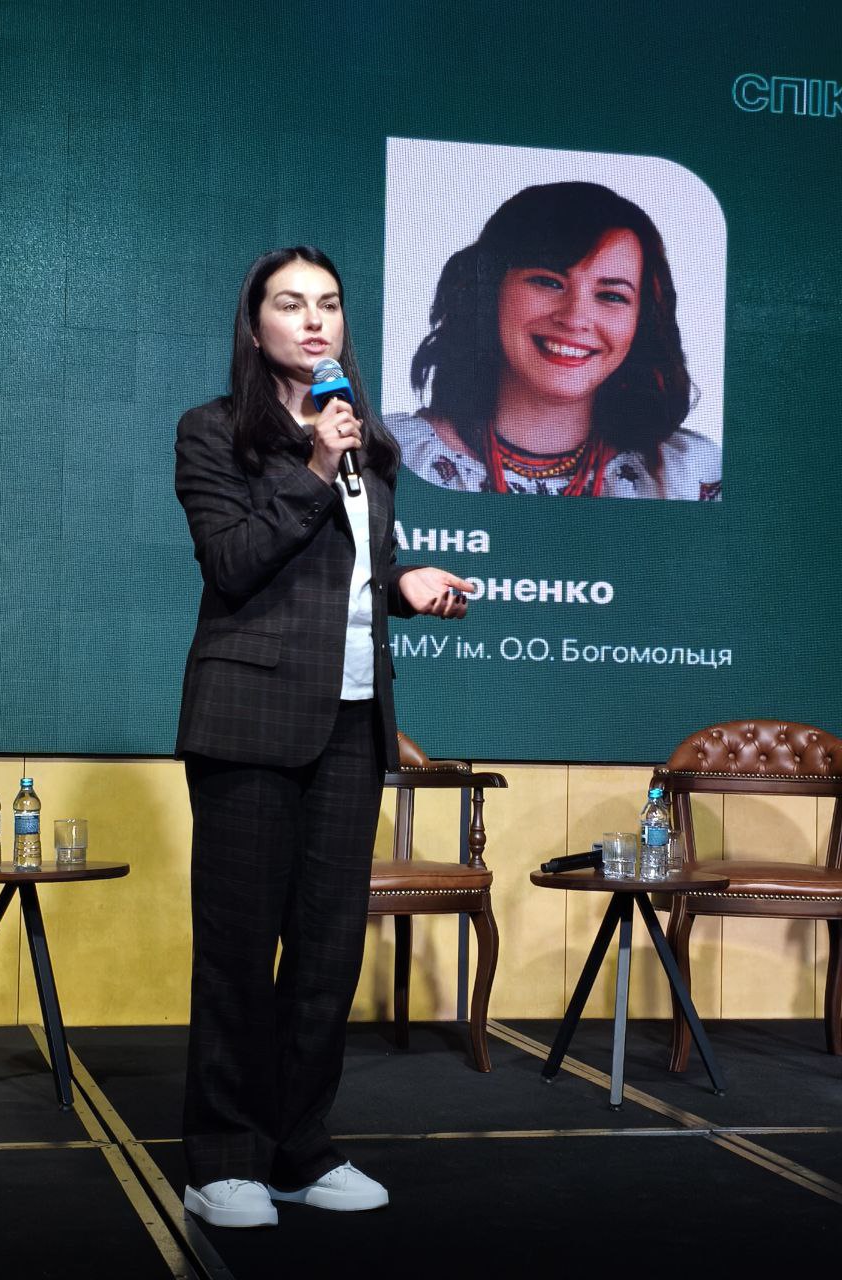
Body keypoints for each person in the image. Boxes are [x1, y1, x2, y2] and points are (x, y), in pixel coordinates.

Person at [174, 246, 471, 1229]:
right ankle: (221, 1159)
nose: (314, 320)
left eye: (329, 304)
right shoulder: (215, 432)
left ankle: (300, 1149)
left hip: (351, 720)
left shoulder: (370, 445)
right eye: (291, 303)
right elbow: (233, 562)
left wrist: (406, 584)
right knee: (237, 950)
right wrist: (309, 464)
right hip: (249, 719)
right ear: (255, 323)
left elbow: (356, 571)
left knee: (326, 952)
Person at [386, 181, 722, 499]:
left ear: (642, 322)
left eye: (611, 296)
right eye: (548, 282)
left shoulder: (690, 474)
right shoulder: (394, 457)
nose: (574, 318)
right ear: (488, 291)